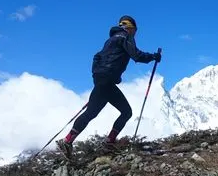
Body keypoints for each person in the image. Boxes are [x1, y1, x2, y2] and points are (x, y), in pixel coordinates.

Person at [56, 15, 161, 158]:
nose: (135, 34)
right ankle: (108, 143)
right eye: (135, 31)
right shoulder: (125, 37)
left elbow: (97, 57)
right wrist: (153, 57)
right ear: (130, 28)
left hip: (101, 80)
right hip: (107, 81)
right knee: (126, 112)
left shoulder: (110, 40)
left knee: (91, 112)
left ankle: (68, 141)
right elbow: (136, 55)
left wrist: (100, 76)